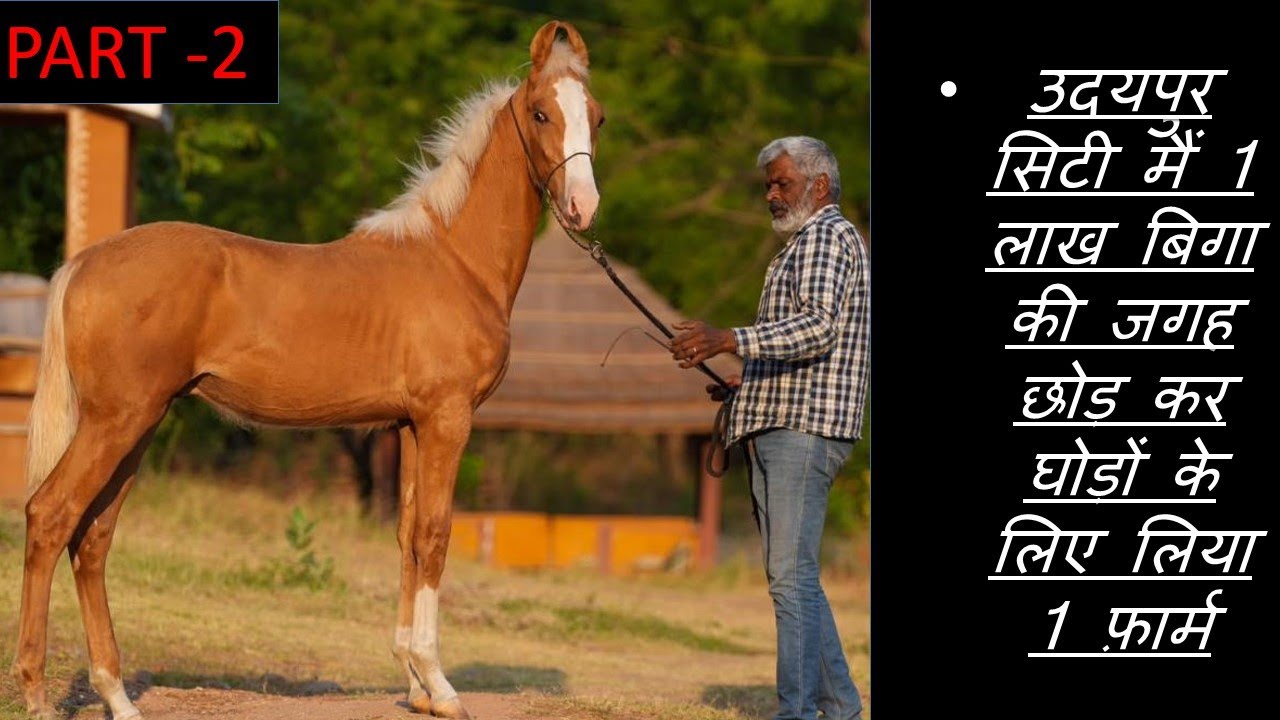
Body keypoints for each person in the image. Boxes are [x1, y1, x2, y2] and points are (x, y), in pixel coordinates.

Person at [670, 136, 868, 720]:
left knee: (789, 579)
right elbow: (804, 346)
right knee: (797, 578)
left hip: (803, 433)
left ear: (820, 185)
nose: (771, 194)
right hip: (786, 420)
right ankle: (841, 708)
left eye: (782, 182)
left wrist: (731, 339)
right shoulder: (804, 244)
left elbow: (817, 328)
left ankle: (798, 712)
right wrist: (744, 380)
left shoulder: (827, 236)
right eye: (768, 185)